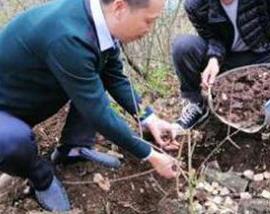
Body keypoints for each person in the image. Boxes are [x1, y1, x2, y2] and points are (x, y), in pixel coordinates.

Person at [0, 0, 179, 211]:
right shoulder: (69, 36)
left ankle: (73, 147)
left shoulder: (98, 20)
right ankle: (42, 178)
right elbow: (98, 112)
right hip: (5, 112)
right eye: (148, 21)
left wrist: (149, 119)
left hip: (28, 98)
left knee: (96, 74)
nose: (149, 30)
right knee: (11, 142)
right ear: (120, 8)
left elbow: (114, 77)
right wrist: (150, 154)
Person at [172, 0, 270, 130]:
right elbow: (211, 37)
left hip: (264, 54)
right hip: (227, 60)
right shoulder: (196, 4)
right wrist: (214, 58)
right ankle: (196, 104)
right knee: (183, 46)